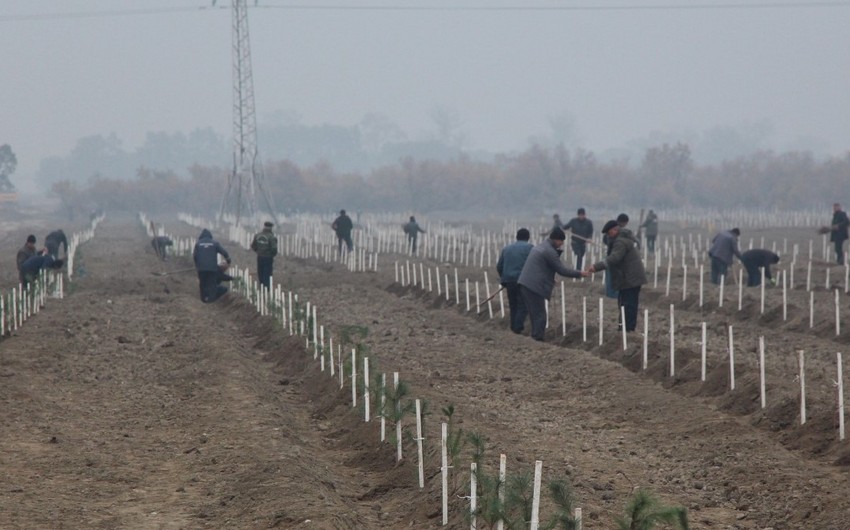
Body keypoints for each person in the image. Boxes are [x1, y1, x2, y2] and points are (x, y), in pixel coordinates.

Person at [517, 227, 587, 341]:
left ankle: (535, 337)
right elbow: (562, 270)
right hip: (533, 286)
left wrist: (550, 278)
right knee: (540, 315)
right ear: (556, 239)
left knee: (534, 314)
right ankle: (537, 339)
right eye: (561, 241)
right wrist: (580, 273)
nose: (562, 244)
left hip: (526, 283)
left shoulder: (541, 246)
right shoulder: (549, 251)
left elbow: (539, 267)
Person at [587, 219, 647, 333]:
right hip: (628, 278)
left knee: (628, 305)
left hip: (630, 279)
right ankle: (624, 328)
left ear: (615, 229)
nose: (609, 236)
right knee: (625, 303)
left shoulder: (620, 242)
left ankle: (627, 329)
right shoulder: (622, 239)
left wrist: (596, 267)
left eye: (610, 233)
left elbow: (614, 258)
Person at [496, 228, 533, 334]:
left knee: (513, 304)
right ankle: (517, 327)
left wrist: (504, 277)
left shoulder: (506, 249)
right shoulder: (530, 248)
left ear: (516, 237)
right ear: (528, 237)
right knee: (523, 304)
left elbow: (499, 266)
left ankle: (513, 327)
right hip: (523, 280)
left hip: (509, 281)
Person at [193, 229, 232, 303]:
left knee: (203, 283)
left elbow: (195, 256)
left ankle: (203, 299)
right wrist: (228, 260)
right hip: (212, 268)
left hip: (201, 268)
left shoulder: (198, 244)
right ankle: (211, 300)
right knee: (211, 284)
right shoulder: (215, 243)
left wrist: (197, 265)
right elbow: (224, 252)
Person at [250, 221, 278, 288]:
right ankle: (266, 287)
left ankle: (261, 284)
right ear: (271, 228)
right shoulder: (271, 237)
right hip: (268, 257)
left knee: (260, 271)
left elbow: (253, 246)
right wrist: (272, 254)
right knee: (267, 272)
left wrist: (258, 251)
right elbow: (274, 248)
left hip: (260, 256)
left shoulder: (258, 235)